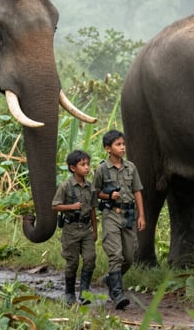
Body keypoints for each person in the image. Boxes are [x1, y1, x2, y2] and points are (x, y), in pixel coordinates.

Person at [93, 129, 145, 310]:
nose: (122, 148)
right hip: (111, 215)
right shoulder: (101, 169)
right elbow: (94, 193)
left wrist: (141, 215)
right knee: (115, 254)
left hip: (129, 215)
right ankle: (117, 294)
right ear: (108, 148)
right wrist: (108, 196)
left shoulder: (131, 167)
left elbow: (137, 191)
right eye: (118, 145)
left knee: (129, 257)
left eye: (123, 144)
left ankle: (110, 278)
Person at [52, 149, 98, 305]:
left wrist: (95, 230)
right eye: (83, 164)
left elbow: (92, 209)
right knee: (72, 262)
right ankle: (69, 293)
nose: (87, 167)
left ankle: (85, 291)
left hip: (86, 228)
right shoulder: (65, 186)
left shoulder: (90, 187)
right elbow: (55, 206)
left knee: (90, 258)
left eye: (88, 164)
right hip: (71, 229)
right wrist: (70, 207)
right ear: (73, 168)